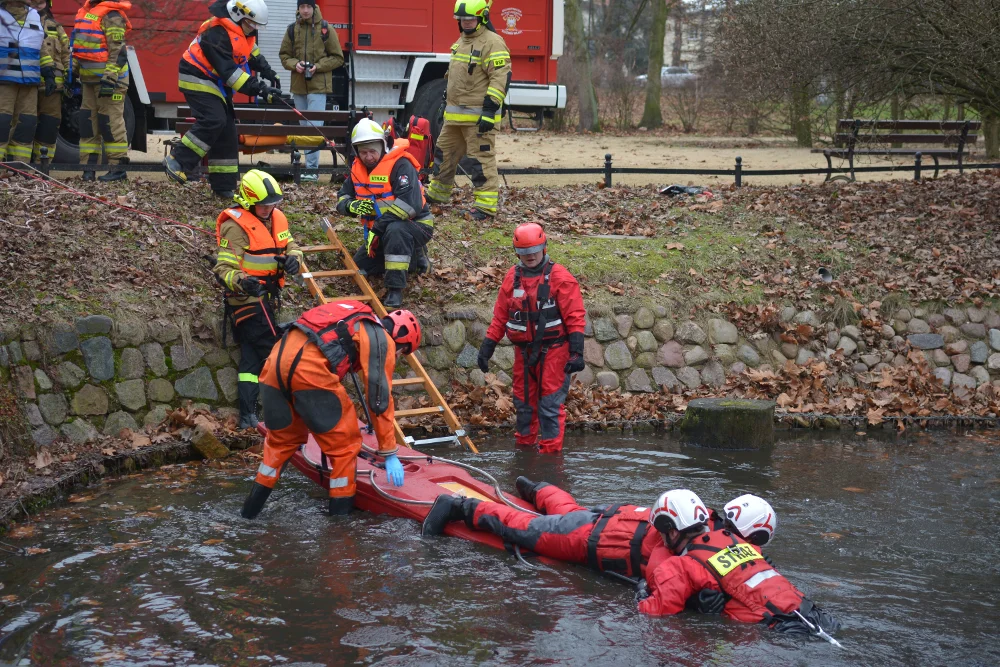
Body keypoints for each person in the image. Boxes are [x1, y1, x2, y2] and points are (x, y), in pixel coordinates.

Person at [240, 301, 422, 518]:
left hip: (274, 364)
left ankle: (248, 515)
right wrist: (389, 452)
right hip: (308, 371)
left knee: (281, 443)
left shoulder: (353, 319)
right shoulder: (381, 338)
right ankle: (340, 530)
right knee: (345, 448)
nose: (398, 356)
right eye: (402, 352)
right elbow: (379, 398)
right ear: (401, 342)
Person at [637, 489, 841, 636]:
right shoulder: (738, 541)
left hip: (779, 630)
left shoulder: (679, 566)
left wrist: (642, 591)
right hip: (813, 613)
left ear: (672, 531)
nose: (661, 539)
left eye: (662, 533)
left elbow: (653, 612)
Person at [421, 476, 667, 581]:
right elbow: (657, 605)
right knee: (523, 527)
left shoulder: (701, 526)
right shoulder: (688, 559)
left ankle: (541, 489)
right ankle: (458, 507)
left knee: (573, 512)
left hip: (612, 519)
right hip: (586, 537)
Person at [477, 223, 586, 453]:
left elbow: (575, 316)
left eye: (535, 250)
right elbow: (500, 317)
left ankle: (550, 458)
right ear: (517, 253)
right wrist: (488, 346)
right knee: (524, 405)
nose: (531, 256)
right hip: (524, 353)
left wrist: (576, 351)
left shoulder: (561, 278)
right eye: (525, 252)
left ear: (544, 247)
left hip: (554, 352)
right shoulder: (512, 278)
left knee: (549, 406)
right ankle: (524, 452)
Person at [163, 0, 285, 199]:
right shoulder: (215, 32)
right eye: (251, 24)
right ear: (238, 15)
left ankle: (223, 186)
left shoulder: (243, 29)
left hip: (215, 82)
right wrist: (261, 89)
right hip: (197, 77)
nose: (253, 29)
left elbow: (249, 51)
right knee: (213, 120)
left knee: (227, 131)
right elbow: (230, 73)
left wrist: (267, 71)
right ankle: (177, 160)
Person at [212, 169, 303, 429]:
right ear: (249, 201)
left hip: (268, 300)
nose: (269, 208)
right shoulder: (234, 227)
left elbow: (292, 246)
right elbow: (224, 270)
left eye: (273, 203)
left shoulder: (277, 219)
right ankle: (296, 413)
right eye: (264, 205)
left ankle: (247, 417)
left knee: (251, 360)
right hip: (245, 302)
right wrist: (243, 281)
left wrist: (294, 260)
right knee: (276, 354)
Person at [424, 0, 510, 220]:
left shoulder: (493, 43)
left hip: (479, 117)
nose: (466, 22)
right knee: (444, 154)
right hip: (454, 117)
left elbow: (500, 79)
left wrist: (490, 111)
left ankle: (485, 207)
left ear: (482, 18)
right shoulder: (462, 41)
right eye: (462, 19)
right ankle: (437, 194)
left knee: (479, 160)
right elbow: (454, 76)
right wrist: (445, 101)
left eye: (470, 18)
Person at [338, 118, 433, 309]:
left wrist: (379, 228)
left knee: (396, 230)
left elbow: (409, 206)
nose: (368, 157)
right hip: (380, 231)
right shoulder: (357, 169)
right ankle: (414, 257)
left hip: (416, 225)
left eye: (373, 151)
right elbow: (341, 198)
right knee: (359, 267)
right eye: (363, 152)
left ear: (383, 146)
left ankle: (395, 290)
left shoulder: (401, 164)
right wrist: (352, 206)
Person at [278, 0, 343, 182]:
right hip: (299, 86)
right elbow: (284, 56)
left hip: (318, 86)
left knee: (314, 127)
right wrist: (295, 64)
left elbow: (338, 58)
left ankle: (312, 170)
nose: (305, 10)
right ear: (298, 8)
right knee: (303, 128)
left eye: (308, 6)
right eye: (302, 7)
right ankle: (304, 168)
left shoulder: (325, 29)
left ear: (314, 8)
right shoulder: (292, 29)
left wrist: (318, 67)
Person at [70, 0, 131, 181]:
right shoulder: (86, 12)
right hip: (89, 80)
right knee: (88, 125)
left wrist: (110, 78)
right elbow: (79, 48)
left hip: (110, 81)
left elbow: (118, 51)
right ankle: (88, 169)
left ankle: (118, 169)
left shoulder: (112, 16)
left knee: (110, 123)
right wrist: (72, 72)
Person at [0, 0, 49, 163]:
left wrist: (49, 71)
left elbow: (41, 47)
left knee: (26, 125)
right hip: (4, 81)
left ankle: (20, 166)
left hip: (29, 82)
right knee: (2, 123)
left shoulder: (34, 16)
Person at [28, 0, 67, 162]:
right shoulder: (20, 24)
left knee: (49, 126)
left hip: (53, 89)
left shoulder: (56, 27)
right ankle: (22, 164)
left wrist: (71, 77)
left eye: (41, 2)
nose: (37, 5)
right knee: (24, 125)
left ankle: (43, 165)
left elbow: (66, 53)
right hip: (28, 85)